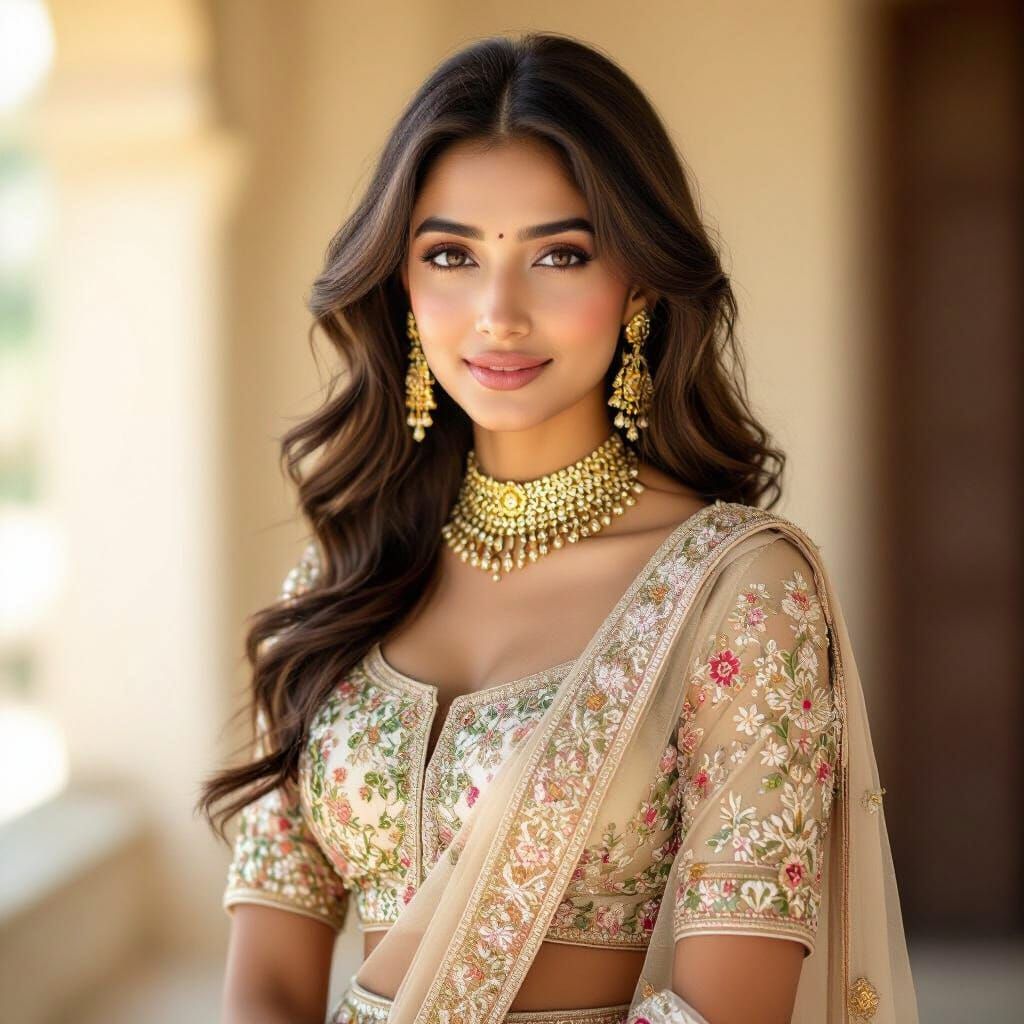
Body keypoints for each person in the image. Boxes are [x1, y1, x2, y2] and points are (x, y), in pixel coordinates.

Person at [198, 31, 918, 1024]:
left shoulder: (734, 591)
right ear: (401, 288)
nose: (498, 311)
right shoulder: (339, 583)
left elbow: (728, 1010)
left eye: (559, 254)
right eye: (450, 254)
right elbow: (268, 984)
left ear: (637, 287)